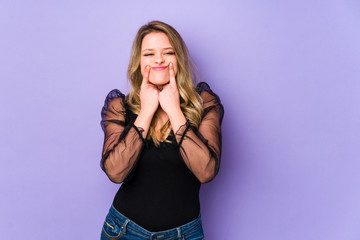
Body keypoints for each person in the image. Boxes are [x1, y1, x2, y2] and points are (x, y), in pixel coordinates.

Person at [99, 20, 224, 240]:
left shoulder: (204, 103)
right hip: (124, 231)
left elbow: (206, 171)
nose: (159, 60)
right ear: (138, 61)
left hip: (184, 235)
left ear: (179, 59)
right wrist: (146, 112)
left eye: (168, 52)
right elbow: (115, 172)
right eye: (149, 54)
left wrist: (174, 110)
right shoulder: (120, 106)